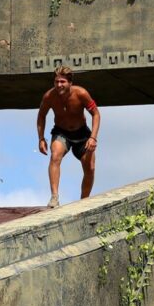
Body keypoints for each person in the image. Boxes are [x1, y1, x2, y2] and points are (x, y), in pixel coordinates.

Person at [36, 66, 100, 208]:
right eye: (56, 82)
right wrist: (41, 138)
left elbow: (96, 114)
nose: (59, 85)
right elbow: (41, 115)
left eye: (62, 82)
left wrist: (93, 138)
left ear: (70, 83)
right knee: (55, 155)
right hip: (61, 132)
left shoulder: (81, 93)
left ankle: (83, 202)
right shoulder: (49, 97)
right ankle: (54, 198)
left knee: (90, 166)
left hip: (82, 135)